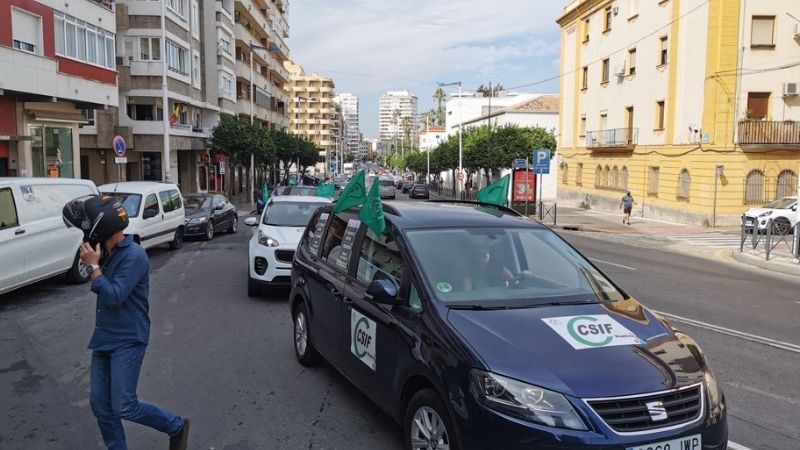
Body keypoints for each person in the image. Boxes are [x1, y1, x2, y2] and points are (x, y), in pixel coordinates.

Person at [62, 195, 190, 450]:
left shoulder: (134, 256)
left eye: (87, 230)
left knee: (124, 405)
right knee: (100, 405)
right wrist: (96, 264)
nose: (85, 237)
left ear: (101, 228)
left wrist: (94, 268)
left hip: (128, 339)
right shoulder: (107, 252)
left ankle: (175, 426)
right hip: (105, 337)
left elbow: (115, 296)